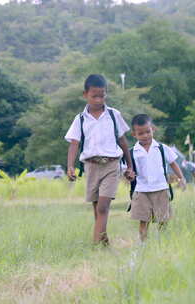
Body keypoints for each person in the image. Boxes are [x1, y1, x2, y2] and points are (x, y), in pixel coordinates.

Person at [65, 74, 134, 246]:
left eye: (102, 95)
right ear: (85, 95)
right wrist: (70, 167)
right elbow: (74, 144)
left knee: (103, 207)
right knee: (97, 209)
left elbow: (123, 141)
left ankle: (95, 244)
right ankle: (104, 243)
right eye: (94, 95)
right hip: (91, 166)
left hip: (111, 165)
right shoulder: (80, 119)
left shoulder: (113, 115)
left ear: (106, 94)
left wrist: (129, 166)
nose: (98, 99)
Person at [128, 114, 186, 242]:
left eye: (148, 132)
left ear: (153, 129)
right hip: (142, 190)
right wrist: (129, 175)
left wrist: (181, 178)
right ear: (134, 134)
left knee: (163, 219)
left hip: (161, 189)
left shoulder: (162, 148)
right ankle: (143, 244)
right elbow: (128, 171)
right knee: (144, 220)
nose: (145, 136)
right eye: (141, 133)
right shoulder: (132, 152)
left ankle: (162, 242)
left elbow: (173, 163)